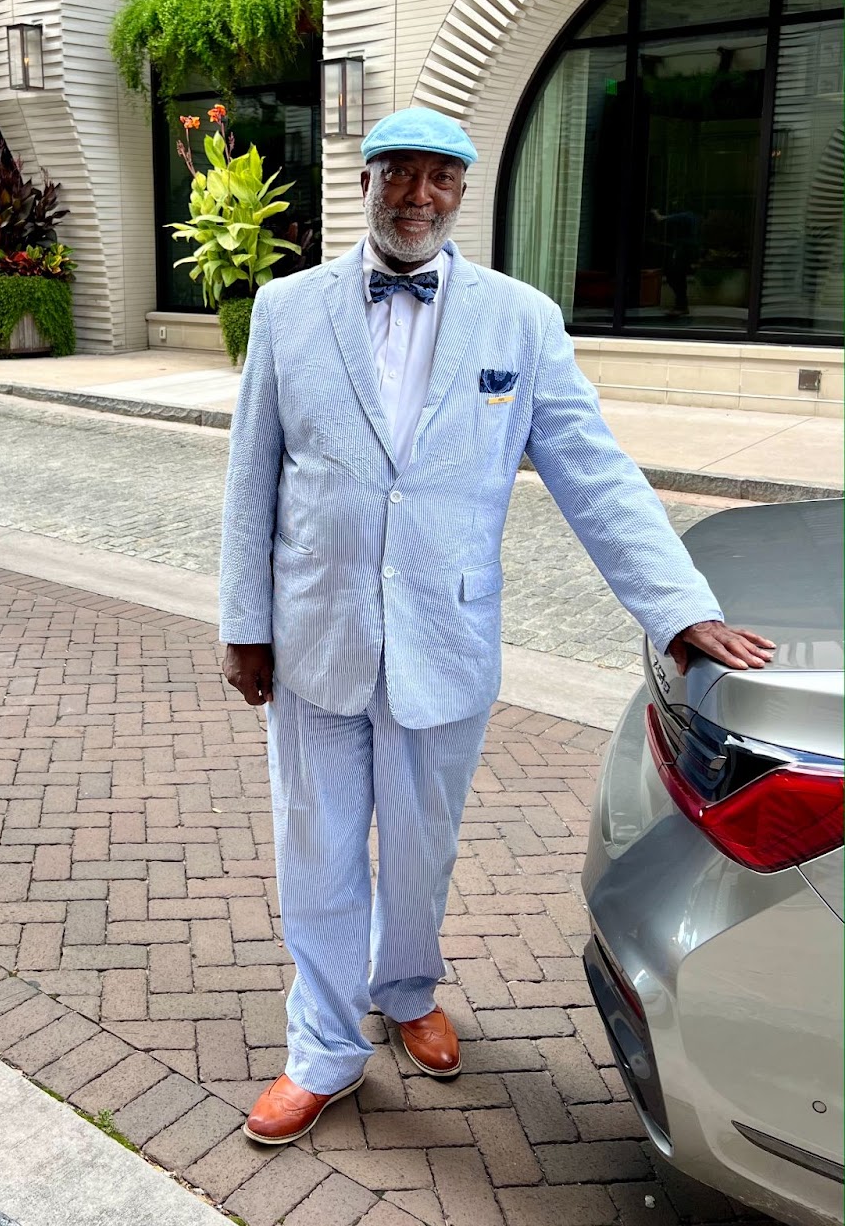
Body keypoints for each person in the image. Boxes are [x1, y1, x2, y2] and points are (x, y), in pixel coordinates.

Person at [219, 107, 773, 1146]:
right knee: (318, 848)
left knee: (421, 847)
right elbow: (252, 481)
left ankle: (408, 986)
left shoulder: (518, 321)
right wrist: (244, 624)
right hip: (311, 640)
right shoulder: (287, 310)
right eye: (400, 176)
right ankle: (324, 1047)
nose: (418, 197)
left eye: (441, 179)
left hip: (446, 637)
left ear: (462, 193)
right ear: (369, 181)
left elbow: (593, 471)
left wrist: (681, 605)